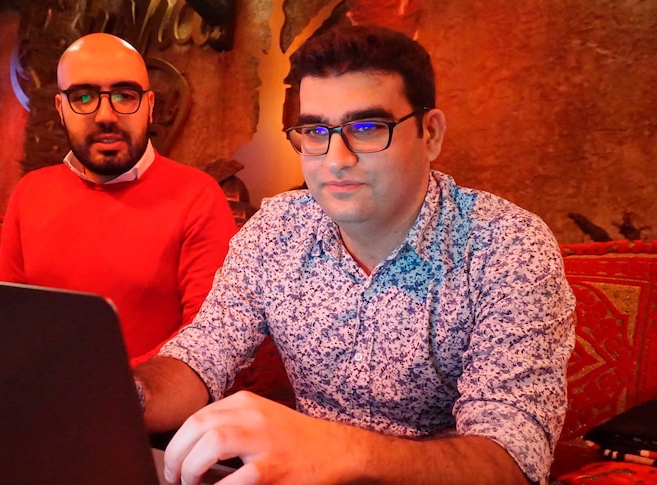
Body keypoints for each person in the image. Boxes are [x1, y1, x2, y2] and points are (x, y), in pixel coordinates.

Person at [134, 24, 576, 485]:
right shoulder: (278, 230)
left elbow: (511, 463)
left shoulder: (505, 245)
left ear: (430, 133)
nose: (335, 158)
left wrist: (340, 449)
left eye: (367, 128)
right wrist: (125, 397)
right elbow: (202, 354)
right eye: (314, 130)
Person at [0, 33, 237, 365]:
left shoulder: (198, 196)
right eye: (83, 97)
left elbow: (210, 338)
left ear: (149, 106)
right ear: (61, 109)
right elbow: (8, 317)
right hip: (39, 395)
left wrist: (106, 387)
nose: (106, 115)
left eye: (124, 95)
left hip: (147, 405)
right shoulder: (29, 193)